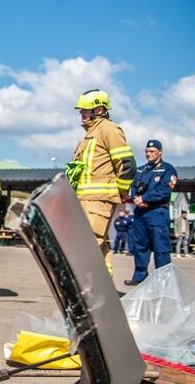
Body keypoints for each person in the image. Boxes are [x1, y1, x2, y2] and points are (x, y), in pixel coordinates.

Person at [66, 89, 136, 275]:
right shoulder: (90, 135)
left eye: (84, 110)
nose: (81, 114)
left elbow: (127, 165)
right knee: (98, 244)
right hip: (85, 199)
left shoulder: (108, 129)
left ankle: (87, 291)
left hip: (98, 199)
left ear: (98, 109)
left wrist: (121, 191)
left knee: (87, 245)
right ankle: (104, 291)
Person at [125, 140, 178, 285]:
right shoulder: (141, 170)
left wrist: (145, 198)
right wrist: (136, 199)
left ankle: (163, 281)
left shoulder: (168, 170)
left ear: (160, 152)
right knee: (140, 246)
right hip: (140, 213)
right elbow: (134, 187)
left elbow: (164, 190)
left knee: (161, 248)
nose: (148, 154)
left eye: (152, 151)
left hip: (157, 213)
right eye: (147, 151)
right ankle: (139, 277)